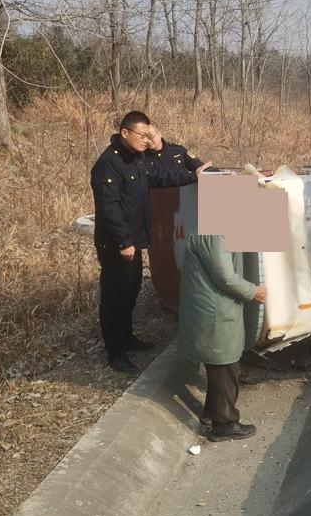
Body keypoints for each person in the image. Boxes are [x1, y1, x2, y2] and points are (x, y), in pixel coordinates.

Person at [91, 110, 210, 375]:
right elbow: (109, 208)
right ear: (125, 133)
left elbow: (162, 175)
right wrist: (123, 242)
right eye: (143, 135)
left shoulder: (137, 159)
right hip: (116, 244)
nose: (148, 140)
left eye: (149, 135)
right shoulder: (108, 165)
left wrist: (194, 175)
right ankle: (115, 351)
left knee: (131, 289)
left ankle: (126, 337)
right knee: (115, 295)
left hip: (133, 241)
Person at [178, 233, 267, 441]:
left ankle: (211, 413)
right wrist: (254, 291)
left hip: (216, 308)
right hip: (214, 311)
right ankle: (225, 424)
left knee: (220, 364)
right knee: (224, 365)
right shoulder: (214, 233)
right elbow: (225, 277)